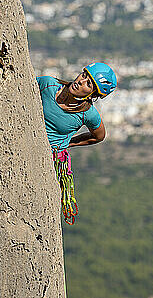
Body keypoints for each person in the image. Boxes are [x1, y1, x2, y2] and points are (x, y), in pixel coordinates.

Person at [36, 62, 117, 224]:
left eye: (89, 84)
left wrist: (69, 144)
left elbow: (98, 136)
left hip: (50, 161)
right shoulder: (47, 84)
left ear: (93, 94)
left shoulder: (88, 114)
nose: (81, 81)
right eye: (84, 75)